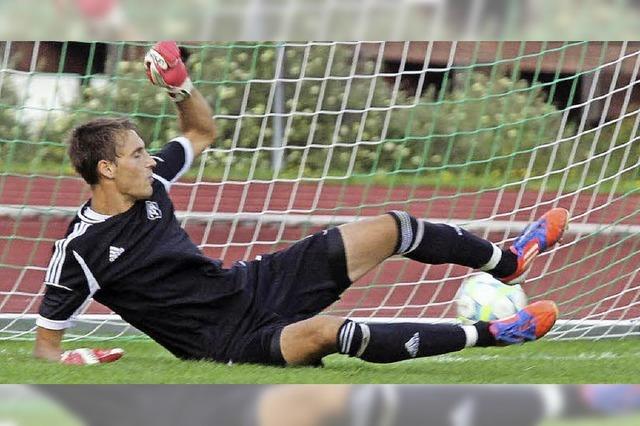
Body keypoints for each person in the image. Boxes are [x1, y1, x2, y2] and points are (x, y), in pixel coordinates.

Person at [33, 41, 570, 366]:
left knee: (391, 226)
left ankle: (509, 261)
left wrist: (179, 87)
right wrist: (71, 355)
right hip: (229, 341)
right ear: (107, 169)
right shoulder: (78, 251)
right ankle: (494, 334)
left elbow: (201, 130)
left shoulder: (153, 186)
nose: (151, 160)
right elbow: (45, 346)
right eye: (137, 154)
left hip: (249, 285)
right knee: (334, 332)